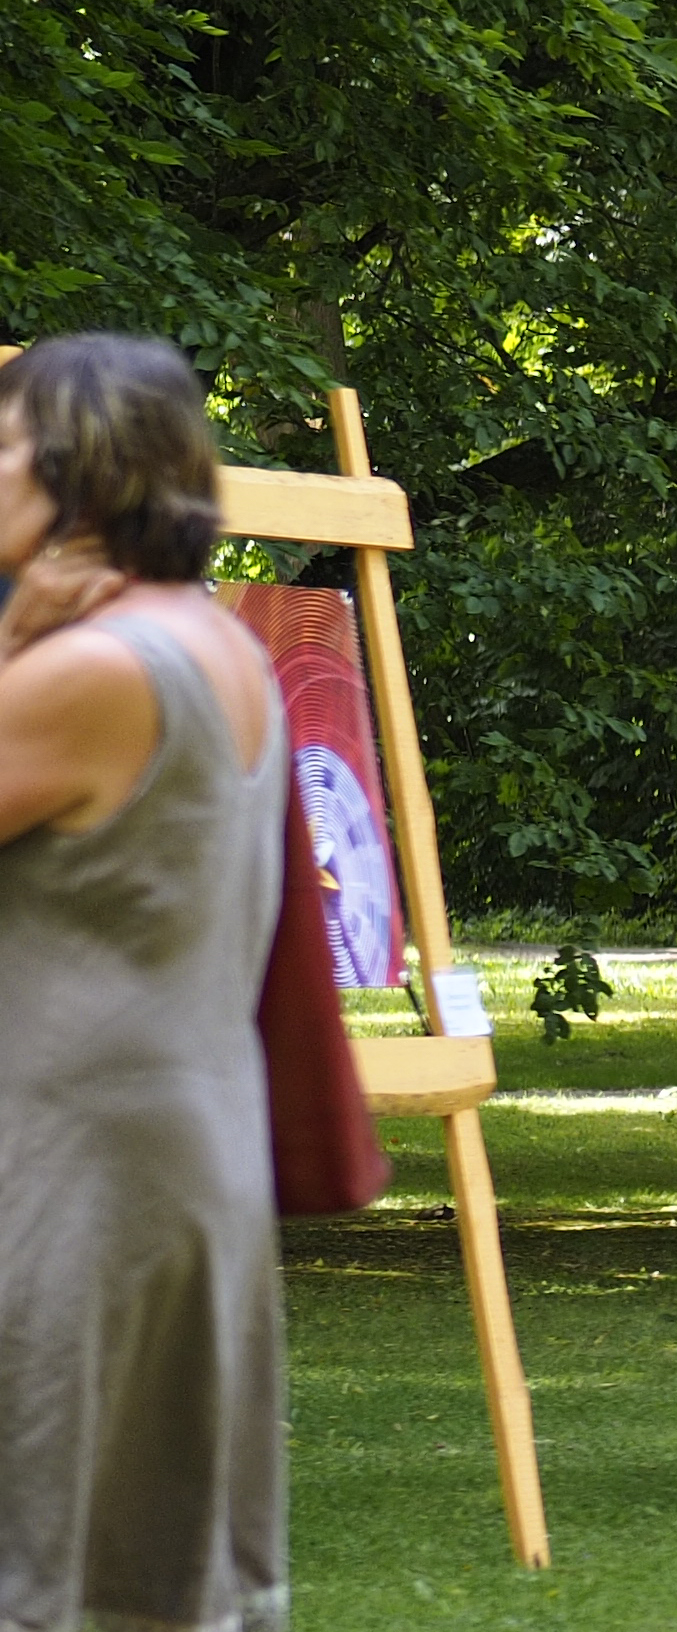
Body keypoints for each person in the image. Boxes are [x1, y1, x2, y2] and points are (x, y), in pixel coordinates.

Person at [0, 334, 293, 1632]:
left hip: (69, 1163)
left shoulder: (94, 669)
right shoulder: (217, 647)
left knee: (54, 1563)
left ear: (82, 467)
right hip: (182, 1154)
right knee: (152, 1574)